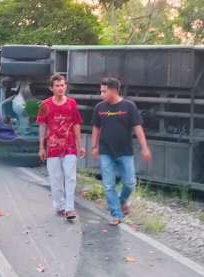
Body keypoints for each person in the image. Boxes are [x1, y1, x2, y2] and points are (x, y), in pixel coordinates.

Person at [91, 77, 152, 225]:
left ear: (113, 91)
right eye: (101, 91)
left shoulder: (129, 106)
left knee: (130, 183)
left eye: (104, 91)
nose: (101, 94)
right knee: (108, 184)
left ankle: (120, 201)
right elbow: (96, 127)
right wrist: (94, 146)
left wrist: (145, 148)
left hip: (125, 151)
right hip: (106, 150)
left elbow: (137, 127)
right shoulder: (100, 107)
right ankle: (116, 214)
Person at [37, 73, 84, 221]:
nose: (60, 88)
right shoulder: (45, 105)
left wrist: (79, 145)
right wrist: (41, 147)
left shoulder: (71, 103)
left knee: (70, 177)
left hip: (69, 145)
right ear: (51, 88)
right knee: (56, 178)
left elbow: (76, 124)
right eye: (57, 85)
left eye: (63, 85)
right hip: (52, 147)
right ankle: (59, 205)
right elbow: (42, 126)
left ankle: (70, 208)